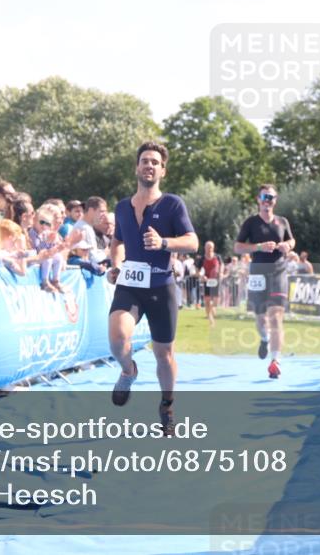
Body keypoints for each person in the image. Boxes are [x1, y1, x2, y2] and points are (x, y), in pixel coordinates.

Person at [107, 142, 198, 433]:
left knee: (164, 355)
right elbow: (117, 242)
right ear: (137, 167)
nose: (149, 165)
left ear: (163, 171)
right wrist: (116, 265)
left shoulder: (172, 204)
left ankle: (167, 404)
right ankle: (128, 371)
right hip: (130, 285)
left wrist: (164, 243)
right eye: (145, 160)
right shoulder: (122, 207)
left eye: (155, 162)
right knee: (117, 338)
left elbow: (192, 242)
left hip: (161, 286)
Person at [234, 184, 295, 379]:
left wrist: (287, 245)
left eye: (271, 197)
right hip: (258, 273)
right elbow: (238, 247)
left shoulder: (282, 221)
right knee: (261, 318)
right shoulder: (251, 222)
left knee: (275, 317)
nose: (267, 201)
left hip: (278, 272)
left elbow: (292, 241)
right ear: (258, 200)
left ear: (275, 201)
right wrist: (259, 247)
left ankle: (275, 361)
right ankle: (264, 338)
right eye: (264, 197)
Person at [200, 241, 222, 327]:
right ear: (205, 248)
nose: (209, 249)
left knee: (216, 301)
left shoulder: (217, 257)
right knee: (207, 301)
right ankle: (211, 320)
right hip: (207, 281)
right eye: (207, 247)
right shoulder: (202, 258)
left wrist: (221, 272)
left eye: (211, 247)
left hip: (215, 281)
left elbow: (222, 265)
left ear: (213, 248)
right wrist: (202, 276)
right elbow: (197, 270)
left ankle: (212, 309)